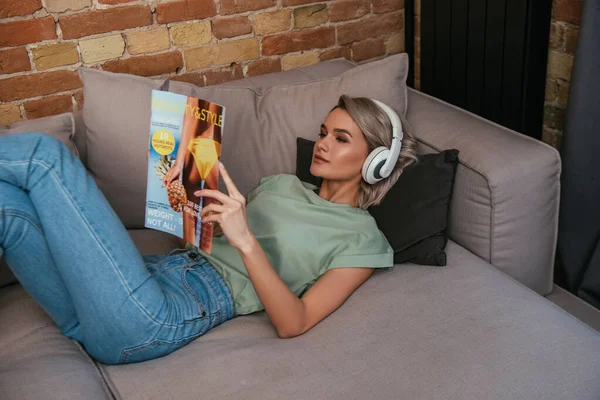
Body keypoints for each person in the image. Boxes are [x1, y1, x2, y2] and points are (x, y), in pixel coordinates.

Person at [0, 95, 418, 365]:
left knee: (44, 155)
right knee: (7, 207)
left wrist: (246, 241)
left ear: (376, 160)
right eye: (324, 132)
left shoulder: (363, 238)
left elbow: (296, 321)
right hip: (132, 287)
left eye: (341, 138)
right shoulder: (283, 184)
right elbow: (205, 242)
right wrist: (184, 204)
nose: (322, 143)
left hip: (155, 318)